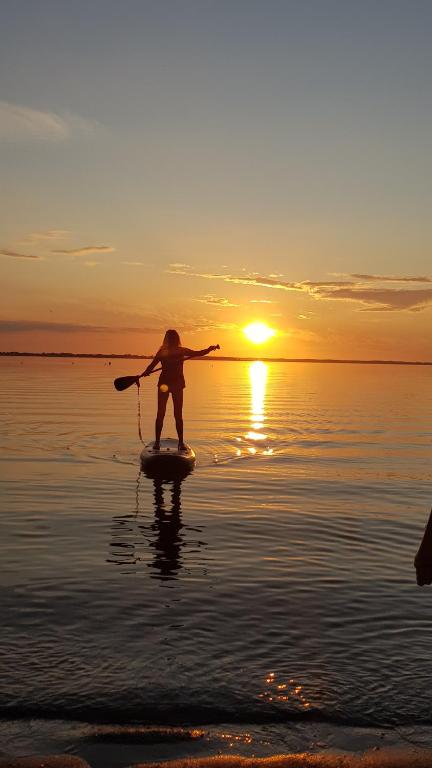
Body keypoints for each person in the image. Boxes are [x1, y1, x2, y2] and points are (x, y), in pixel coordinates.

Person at [142, 330, 219, 451]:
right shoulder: (179, 351)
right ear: (177, 339)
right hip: (174, 384)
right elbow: (199, 353)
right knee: (177, 414)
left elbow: (150, 368)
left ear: (166, 339)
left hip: (167, 384)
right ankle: (179, 443)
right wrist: (209, 349)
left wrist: (144, 374)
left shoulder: (164, 352)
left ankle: (159, 442)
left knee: (161, 413)